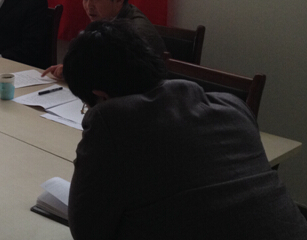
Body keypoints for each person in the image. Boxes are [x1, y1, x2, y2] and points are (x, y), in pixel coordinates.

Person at [62, 20, 307, 240]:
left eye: (87, 105)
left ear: (102, 97)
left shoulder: (110, 122)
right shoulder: (233, 106)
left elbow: (86, 231)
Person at [43, 0, 166, 78]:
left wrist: (76, 73)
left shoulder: (135, 33)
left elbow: (117, 78)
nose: (89, 6)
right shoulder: (104, 21)